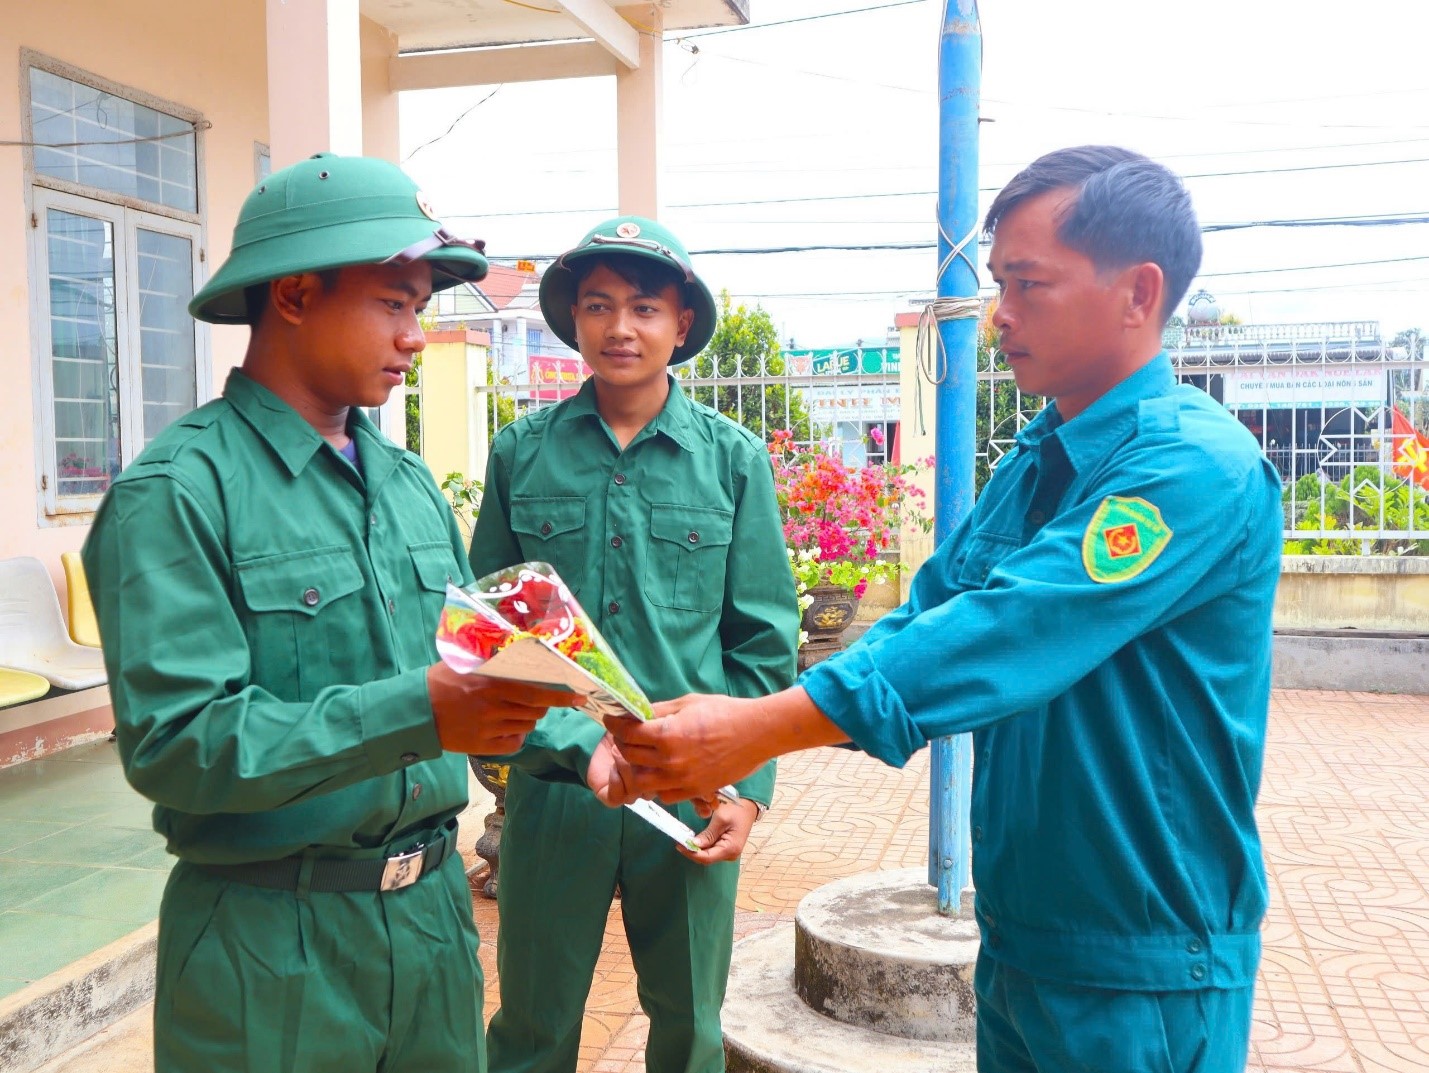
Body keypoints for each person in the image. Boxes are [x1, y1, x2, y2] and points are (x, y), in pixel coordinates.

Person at [600, 147, 1284, 1072]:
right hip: (1024, 937)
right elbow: (927, 619)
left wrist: (758, 728)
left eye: (1028, 283)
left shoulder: (1190, 467)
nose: (999, 313)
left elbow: (1007, 630)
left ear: (1139, 291)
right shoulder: (1040, 457)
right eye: (999, 281)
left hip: (1142, 958)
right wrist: (743, 722)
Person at [82, 152, 571, 1073]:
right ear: (296, 296)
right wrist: (418, 711)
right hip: (269, 944)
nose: (415, 336)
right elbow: (178, 742)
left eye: (419, 308)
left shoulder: (408, 480)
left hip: (429, 924)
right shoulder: (181, 492)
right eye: (394, 303)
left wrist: (605, 741)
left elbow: (476, 664)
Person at [470, 216, 800, 1073]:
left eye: (645, 307)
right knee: (533, 1022)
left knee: (691, 1023)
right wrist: (559, 743)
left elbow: (762, 639)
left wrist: (745, 787)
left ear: (680, 325)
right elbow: (492, 630)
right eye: (599, 305)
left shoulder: (731, 462)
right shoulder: (521, 454)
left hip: (689, 778)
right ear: (572, 321)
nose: (622, 327)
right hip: (556, 788)